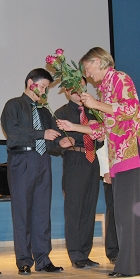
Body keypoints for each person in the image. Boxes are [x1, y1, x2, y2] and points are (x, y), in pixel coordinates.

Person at [58, 47, 140, 277]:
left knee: (125, 212)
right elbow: (103, 129)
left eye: (87, 68)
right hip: (118, 154)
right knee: (125, 211)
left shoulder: (120, 78)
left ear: (98, 61)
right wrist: (74, 127)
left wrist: (96, 105)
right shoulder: (103, 90)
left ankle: (129, 266)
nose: (87, 74)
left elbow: (131, 109)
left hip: (130, 150)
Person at [1, 68, 67, 275]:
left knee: (42, 211)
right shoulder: (13, 105)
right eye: (43, 87)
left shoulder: (44, 111)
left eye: (47, 88)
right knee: (22, 212)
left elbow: (50, 140)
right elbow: (13, 132)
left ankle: (43, 259)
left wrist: (60, 143)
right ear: (31, 83)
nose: (45, 91)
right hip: (22, 160)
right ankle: (23, 260)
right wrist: (41, 133)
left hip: (42, 160)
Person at [54, 86, 102, 268]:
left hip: (92, 159)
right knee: (74, 209)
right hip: (74, 158)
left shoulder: (94, 111)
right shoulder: (61, 113)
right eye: (73, 89)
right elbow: (54, 140)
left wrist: (100, 137)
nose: (78, 91)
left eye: (81, 87)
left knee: (89, 208)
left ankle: (85, 252)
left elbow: (100, 140)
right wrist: (61, 142)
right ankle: (75, 254)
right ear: (66, 92)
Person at [97, 138, 118, 264]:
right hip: (113, 169)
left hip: (131, 170)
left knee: (132, 213)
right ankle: (114, 251)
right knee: (114, 211)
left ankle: (133, 250)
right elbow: (102, 146)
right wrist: (106, 170)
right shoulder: (108, 124)